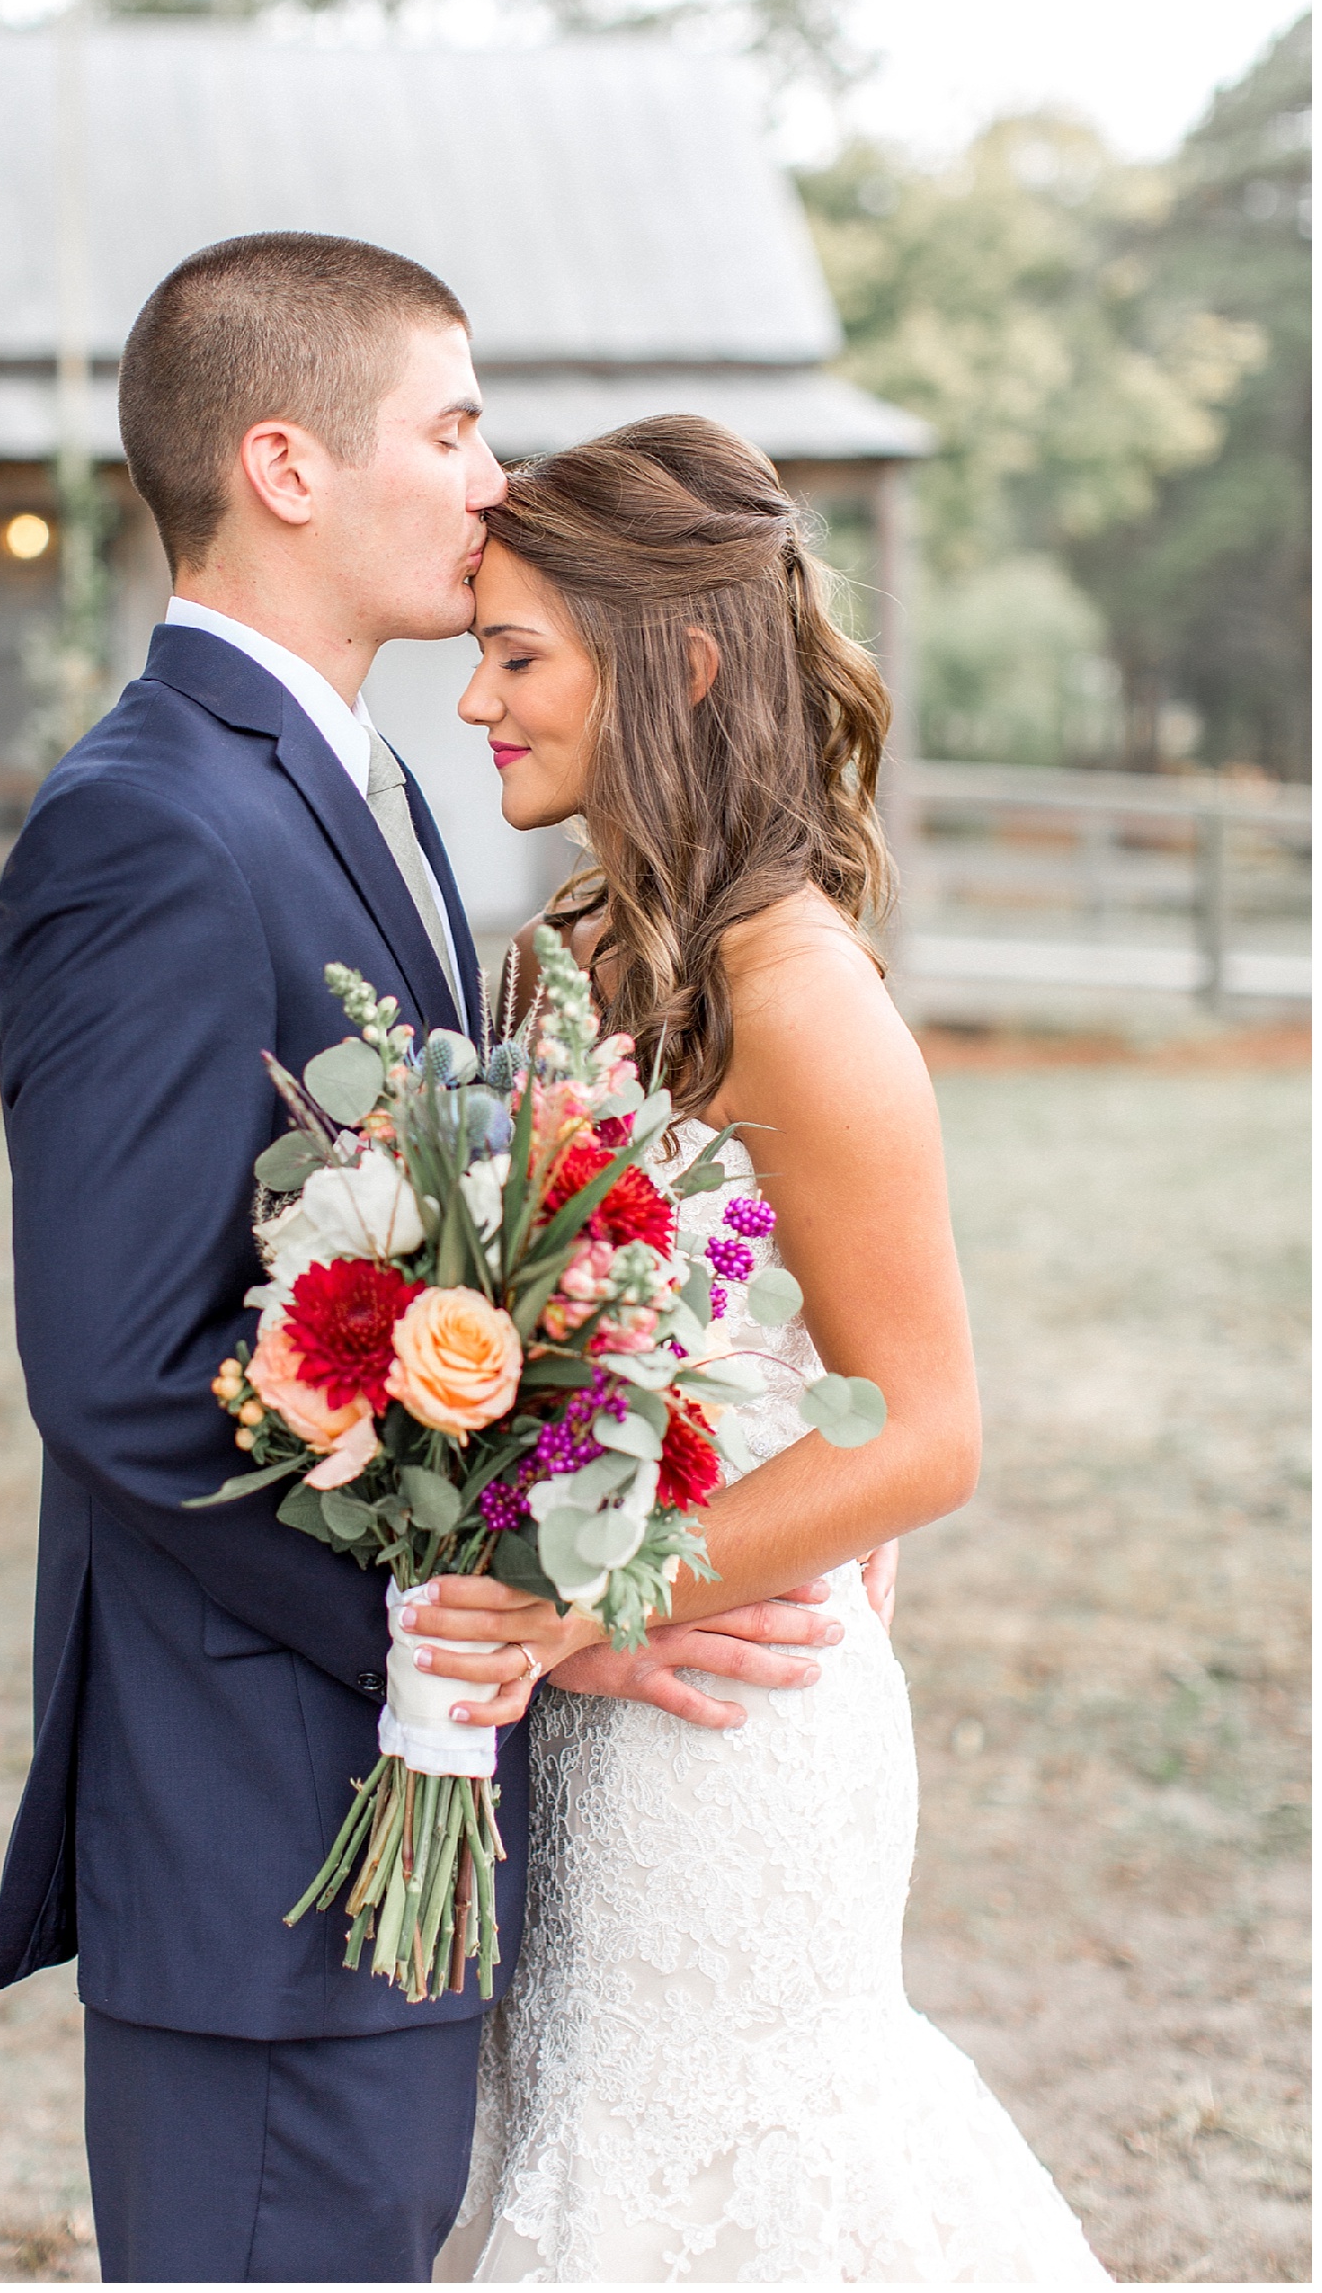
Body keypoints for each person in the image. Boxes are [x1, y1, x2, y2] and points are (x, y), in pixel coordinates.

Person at [0, 244, 848, 2285]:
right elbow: (116, 1369)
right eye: (453, 426)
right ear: (284, 462)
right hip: (268, 1828)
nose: (490, 477)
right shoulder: (155, 822)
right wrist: (487, 1631)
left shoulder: (362, 784)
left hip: (387, 1824)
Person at [421, 415, 1112, 2283]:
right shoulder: (596, 957)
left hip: (731, 1720)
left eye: (516, 654)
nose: (476, 699)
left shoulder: (797, 996)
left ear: (681, 662)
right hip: (598, 1708)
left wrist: (596, 1604)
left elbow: (934, 1432)